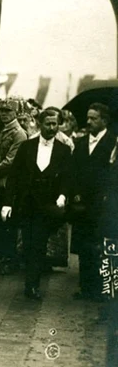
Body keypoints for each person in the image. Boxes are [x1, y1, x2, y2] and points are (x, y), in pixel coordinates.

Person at [2, 107, 72, 301]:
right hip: (27, 204)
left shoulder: (63, 150)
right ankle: (30, 282)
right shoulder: (27, 147)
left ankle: (32, 285)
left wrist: (63, 195)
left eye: (55, 124)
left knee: (38, 244)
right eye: (48, 123)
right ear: (40, 124)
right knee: (28, 243)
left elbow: (67, 177)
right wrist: (7, 203)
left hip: (48, 205)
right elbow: (14, 177)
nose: (52, 127)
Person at [70, 102, 115, 301]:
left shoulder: (113, 143)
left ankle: (104, 290)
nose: (88, 122)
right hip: (82, 204)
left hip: (104, 203)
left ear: (104, 121)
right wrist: (76, 194)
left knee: (103, 246)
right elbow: (74, 172)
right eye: (87, 118)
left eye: (93, 118)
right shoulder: (80, 143)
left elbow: (112, 175)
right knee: (84, 246)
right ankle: (86, 287)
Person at [0, 98, 27, 274]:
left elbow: (10, 162)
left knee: (8, 223)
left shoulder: (18, 133)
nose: (4, 114)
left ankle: (10, 260)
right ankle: (1, 257)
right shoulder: (2, 130)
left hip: (9, 183)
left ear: (16, 113)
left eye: (8, 111)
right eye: (1, 111)